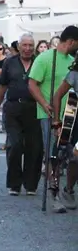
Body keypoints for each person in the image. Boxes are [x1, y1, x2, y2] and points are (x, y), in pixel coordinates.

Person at [29, 25, 78, 212]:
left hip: (71, 114)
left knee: (67, 156)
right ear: (72, 41)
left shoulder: (73, 61)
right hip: (50, 114)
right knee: (53, 156)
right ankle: (54, 194)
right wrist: (44, 103)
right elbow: (32, 85)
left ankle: (65, 190)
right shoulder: (45, 58)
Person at [0, 34, 42, 196]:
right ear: (19, 46)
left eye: (30, 45)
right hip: (13, 108)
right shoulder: (10, 62)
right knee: (14, 145)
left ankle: (31, 185)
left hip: (34, 109)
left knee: (33, 148)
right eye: (24, 45)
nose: (27, 48)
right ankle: (14, 184)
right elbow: (2, 87)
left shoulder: (39, 61)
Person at [51, 59, 78, 213]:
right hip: (77, 118)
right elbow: (58, 95)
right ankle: (68, 189)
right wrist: (57, 120)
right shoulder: (75, 74)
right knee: (75, 157)